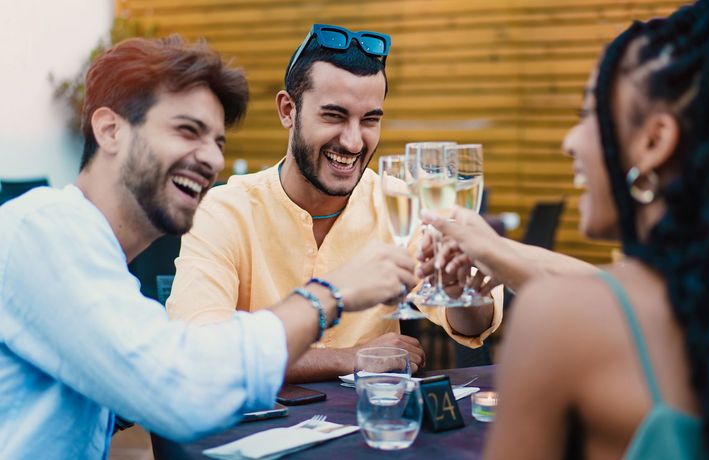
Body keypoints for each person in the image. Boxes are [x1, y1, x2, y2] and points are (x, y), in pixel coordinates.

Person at [0, 36, 416, 458]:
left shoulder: (96, 260)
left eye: (217, 142)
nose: (212, 160)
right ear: (111, 130)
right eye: (187, 130)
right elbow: (184, 387)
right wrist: (332, 295)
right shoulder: (44, 231)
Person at [425, 0, 709, 457]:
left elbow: (593, 300)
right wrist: (498, 251)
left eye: (588, 114)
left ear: (655, 141)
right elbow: (604, 287)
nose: (569, 142)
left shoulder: (562, 321)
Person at [166, 24, 503, 382]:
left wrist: (462, 293)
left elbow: (471, 325)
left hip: (372, 426)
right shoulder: (224, 211)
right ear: (287, 110)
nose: (355, 142)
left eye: (370, 119)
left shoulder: (399, 203)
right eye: (334, 116)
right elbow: (201, 350)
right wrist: (351, 358)